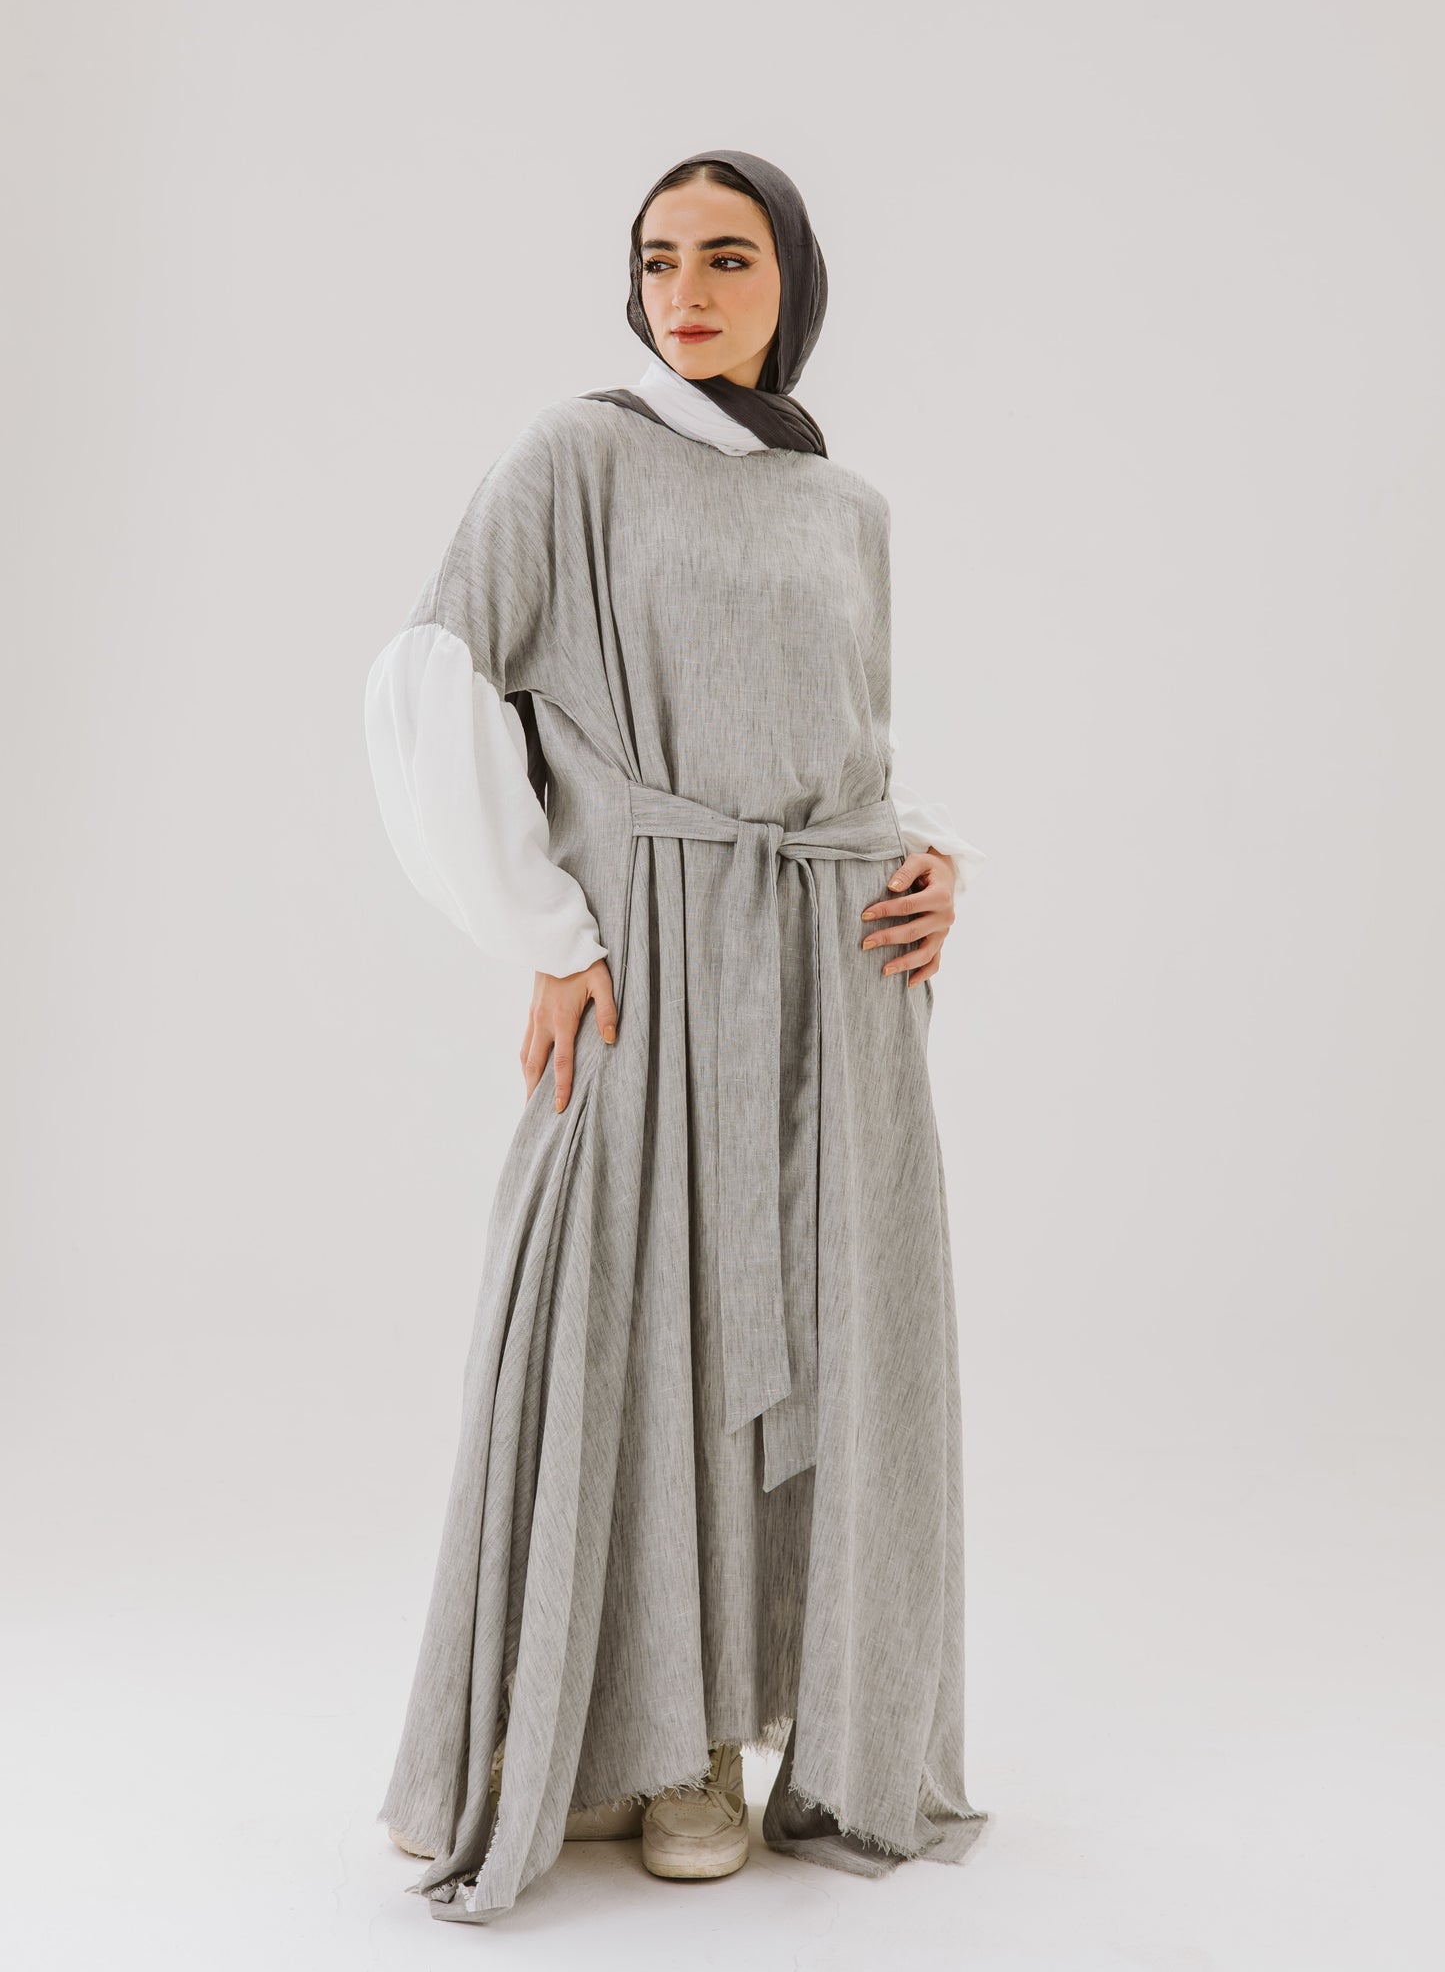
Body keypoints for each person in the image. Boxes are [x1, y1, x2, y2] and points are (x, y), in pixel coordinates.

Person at [363, 147, 991, 1925]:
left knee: (829, 1337)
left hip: (840, 978)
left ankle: (781, 1724)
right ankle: (646, 1740)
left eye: (727, 257)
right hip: (655, 961)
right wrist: (545, 933)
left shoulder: (843, 504)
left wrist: (933, 854)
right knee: (634, 1316)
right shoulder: (574, 458)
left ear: (791, 279)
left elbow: (846, 743)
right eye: (658, 259)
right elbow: (431, 677)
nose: (687, 291)